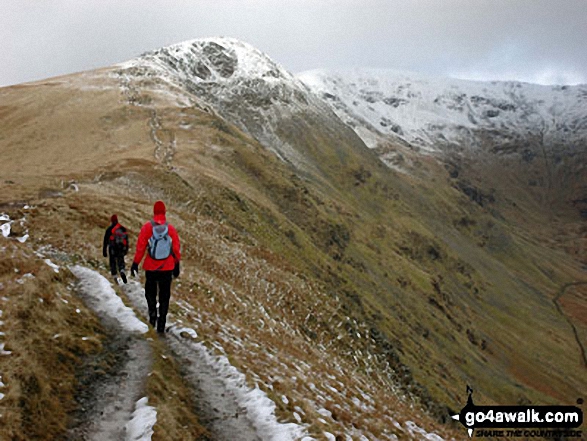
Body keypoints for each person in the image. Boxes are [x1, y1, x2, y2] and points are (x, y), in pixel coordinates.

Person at [131, 201, 181, 333]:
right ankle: (162, 322)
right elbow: (176, 248)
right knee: (164, 295)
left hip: (151, 267)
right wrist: (177, 264)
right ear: (164, 212)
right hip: (167, 267)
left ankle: (152, 315)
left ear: (154, 211)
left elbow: (141, 247)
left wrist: (135, 263)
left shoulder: (147, 227)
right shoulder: (171, 229)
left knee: (150, 293)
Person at [103, 214, 129, 284]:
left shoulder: (109, 229)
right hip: (121, 248)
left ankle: (115, 277)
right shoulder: (122, 228)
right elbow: (126, 239)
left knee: (113, 262)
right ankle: (122, 270)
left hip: (112, 248)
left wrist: (104, 251)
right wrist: (126, 249)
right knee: (121, 260)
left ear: (111, 220)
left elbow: (105, 240)